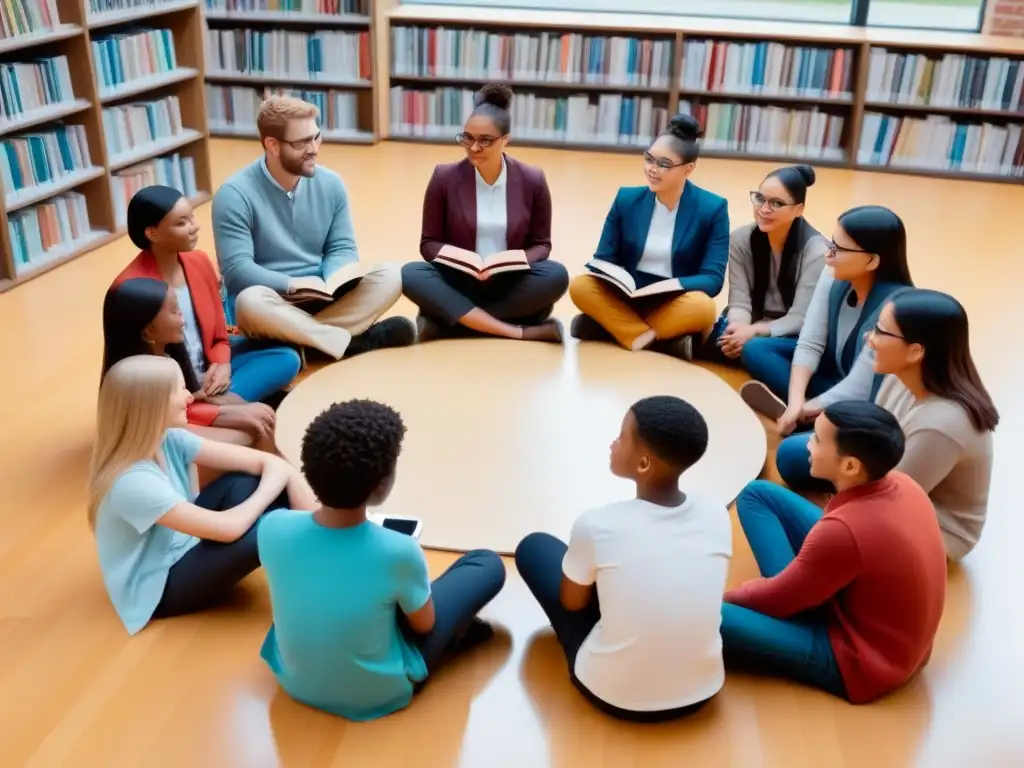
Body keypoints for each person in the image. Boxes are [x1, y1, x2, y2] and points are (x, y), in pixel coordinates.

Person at [257, 399, 506, 721]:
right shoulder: (398, 550)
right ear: (381, 485)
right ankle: (456, 637)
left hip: (293, 681)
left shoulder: (273, 526)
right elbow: (424, 624)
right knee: (486, 564)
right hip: (377, 692)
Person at [514, 396, 731, 722]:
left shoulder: (598, 524)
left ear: (644, 464)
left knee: (534, 548)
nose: (613, 443)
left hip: (613, 695)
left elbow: (572, 604)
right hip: (703, 690)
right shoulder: (716, 513)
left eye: (622, 436)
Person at [721, 401, 947, 704]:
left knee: (709, 614)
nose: (808, 447)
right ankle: (799, 599)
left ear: (850, 466)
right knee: (757, 494)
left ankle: (797, 605)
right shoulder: (904, 484)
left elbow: (778, 596)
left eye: (816, 439)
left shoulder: (843, 531)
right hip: (894, 641)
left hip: (861, 661)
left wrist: (727, 596)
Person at [89, 355, 317, 635]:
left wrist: (283, 474)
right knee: (269, 527)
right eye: (179, 390)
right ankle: (320, 568)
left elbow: (261, 463)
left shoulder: (169, 437)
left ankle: (320, 550)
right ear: (152, 405)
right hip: (160, 587)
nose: (189, 396)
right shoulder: (132, 482)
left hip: (183, 542)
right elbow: (229, 528)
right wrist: (278, 477)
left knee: (245, 482)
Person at [775, 289, 998, 561]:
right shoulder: (901, 374)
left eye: (881, 332)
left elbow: (889, 499)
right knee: (791, 455)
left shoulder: (941, 425)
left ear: (916, 351)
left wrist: (836, 508)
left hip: (933, 528)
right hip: (885, 475)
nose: (870, 339)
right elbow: (872, 434)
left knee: (766, 501)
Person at [211, 95, 414, 361]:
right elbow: (238, 272)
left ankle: (306, 343)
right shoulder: (234, 195)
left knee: (393, 274)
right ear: (272, 145)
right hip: (273, 301)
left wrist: (333, 281)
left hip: (322, 297)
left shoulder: (331, 183)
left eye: (316, 137)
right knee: (249, 302)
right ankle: (348, 340)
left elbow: (342, 247)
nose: (314, 148)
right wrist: (293, 285)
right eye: (302, 142)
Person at [403, 84, 568, 343]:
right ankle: (516, 329)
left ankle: (450, 323)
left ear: (506, 139)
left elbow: (542, 245)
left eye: (485, 141)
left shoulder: (533, 180)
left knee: (556, 275)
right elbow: (429, 243)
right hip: (460, 280)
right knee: (411, 274)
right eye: (467, 138)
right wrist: (462, 258)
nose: (474, 148)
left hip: (508, 283)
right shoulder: (443, 178)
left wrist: (513, 260)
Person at [114, 185, 301, 411]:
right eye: (182, 223)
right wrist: (188, 387)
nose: (195, 227)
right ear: (152, 233)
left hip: (208, 367)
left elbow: (219, 333)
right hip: (171, 385)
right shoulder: (131, 289)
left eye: (192, 217)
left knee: (286, 358)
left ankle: (219, 405)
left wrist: (222, 361)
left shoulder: (199, 262)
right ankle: (213, 407)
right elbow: (140, 370)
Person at [739, 205, 914, 436]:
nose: (828, 255)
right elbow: (810, 342)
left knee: (791, 456)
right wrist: (795, 403)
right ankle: (816, 420)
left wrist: (804, 409)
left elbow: (860, 387)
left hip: (865, 397)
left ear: (872, 261)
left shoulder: (894, 309)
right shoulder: (832, 273)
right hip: (832, 377)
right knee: (756, 349)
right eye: (831, 244)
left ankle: (818, 422)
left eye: (838, 249)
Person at [568, 114, 729, 360]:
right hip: (628, 295)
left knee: (703, 307)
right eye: (649, 159)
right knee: (580, 285)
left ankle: (616, 329)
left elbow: (713, 279)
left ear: (689, 168)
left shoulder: (712, 208)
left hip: (672, 300)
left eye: (664, 164)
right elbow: (603, 258)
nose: (652, 169)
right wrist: (614, 277)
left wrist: (675, 285)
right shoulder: (626, 199)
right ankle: (660, 340)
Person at [102, 277, 278, 447]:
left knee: (261, 415)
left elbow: (189, 400)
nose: (182, 314)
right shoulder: (141, 377)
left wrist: (214, 403)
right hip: (170, 445)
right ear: (149, 331)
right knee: (257, 429)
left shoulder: (167, 355)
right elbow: (173, 430)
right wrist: (222, 413)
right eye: (174, 310)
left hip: (185, 426)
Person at [701, 164, 827, 362]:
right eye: (760, 199)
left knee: (758, 349)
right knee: (710, 332)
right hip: (751, 323)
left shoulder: (817, 253)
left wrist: (753, 332)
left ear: (799, 209)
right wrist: (738, 331)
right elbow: (740, 302)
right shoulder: (740, 239)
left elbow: (799, 318)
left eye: (776, 203)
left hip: (790, 332)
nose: (764, 209)